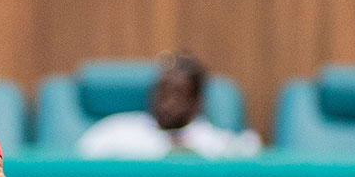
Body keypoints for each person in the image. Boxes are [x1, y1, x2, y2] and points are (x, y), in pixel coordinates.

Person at [75, 51, 259, 160]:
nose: (166, 103)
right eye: (162, 93)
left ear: (197, 102)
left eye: (178, 95)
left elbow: (251, 152)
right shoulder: (116, 131)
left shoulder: (213, 142)